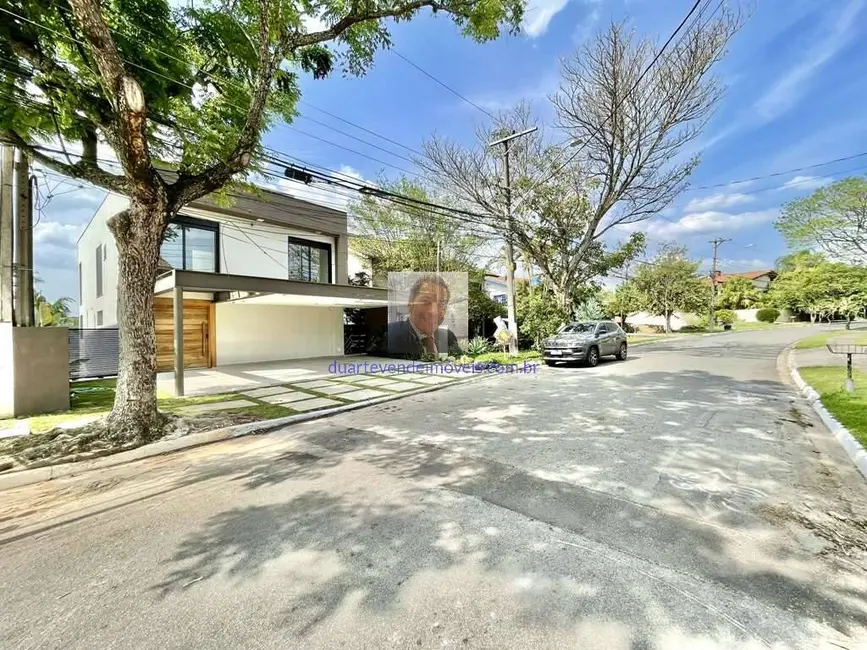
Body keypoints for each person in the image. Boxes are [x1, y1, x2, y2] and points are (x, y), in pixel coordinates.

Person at [387, 274, 458, 358]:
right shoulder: (389, 336)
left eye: (441, 304)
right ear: (410, 304)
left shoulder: (448, 337)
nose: (433, 312)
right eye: (426, 302)